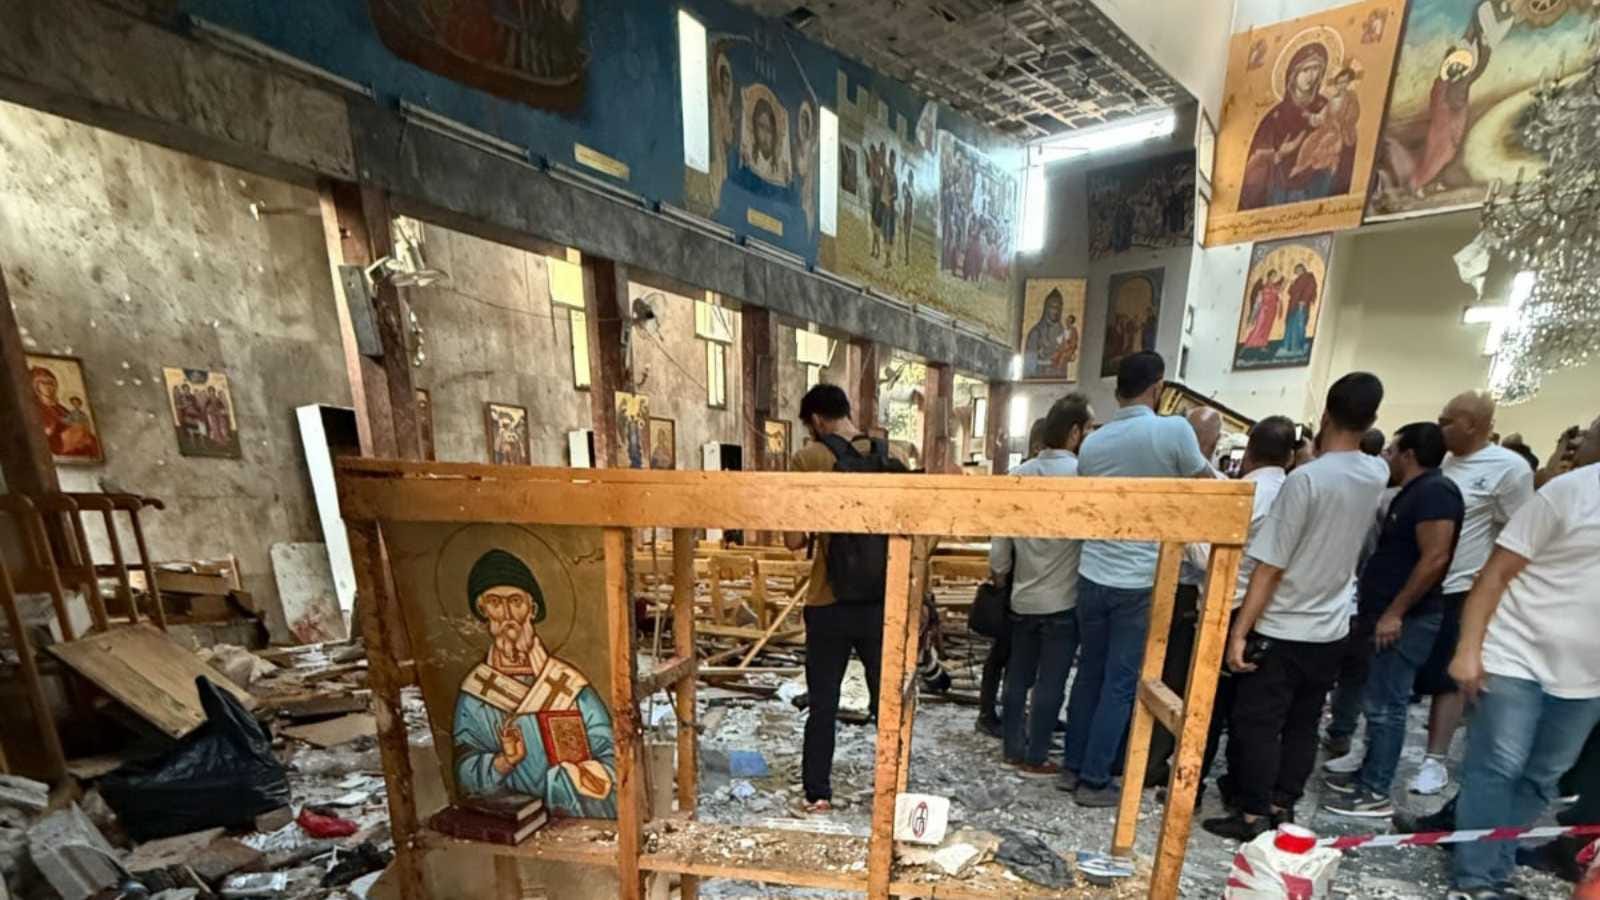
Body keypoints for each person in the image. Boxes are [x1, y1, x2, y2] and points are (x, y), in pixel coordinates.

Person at [1203, 372, 1389, 840]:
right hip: (1332, 623)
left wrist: (1240, 632)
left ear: (1325, 414)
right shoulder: (1376, 474)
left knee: (1256, 723)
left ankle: (1252, 813)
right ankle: (1283, 803)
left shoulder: (1305, 481)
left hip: (1284, 622)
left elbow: (1270, 567)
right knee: (1304, 722)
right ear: (1371, 421)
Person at [1446, 415, 1600, 899]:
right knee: (1497, 767)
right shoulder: (1570, 493)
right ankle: (1477, 878)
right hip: (1516, 652)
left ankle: (1497, 863)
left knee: (1542, 778)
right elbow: (1494, 574)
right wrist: (1468, 650)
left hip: (1586, 677)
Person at [1060, 352, 1211, 807]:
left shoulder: (1094, 443)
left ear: (1117, 390)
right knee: (1121, 682)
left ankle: (1072, 767)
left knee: (1089, 672)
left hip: (1092, 573)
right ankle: (1094, 779)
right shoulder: (1173, 431)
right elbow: (1210, 487)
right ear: (1158, 387)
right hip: (1141, 579)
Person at [1323, 422, 1464, 818]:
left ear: (1409, 455)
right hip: (1388, 613)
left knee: (1388, 706)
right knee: (1377, 701)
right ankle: (1368, 775)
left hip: (1408, 619)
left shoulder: (1436, 493)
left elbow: (1435, 557)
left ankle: (1375, 790)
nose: (1387, 458)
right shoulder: (1414, 491)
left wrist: (1396, 612)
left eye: (1392, 451)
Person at [785, 384, 905, 813]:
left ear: (817, 420)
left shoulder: (809, 459)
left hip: (828, 601)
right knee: (887, 702)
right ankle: (892, 793)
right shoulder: (892, 456)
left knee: (823, 703)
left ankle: (817, 793)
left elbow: (793, 540)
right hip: (881, 602)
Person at [1411, 391, 1535, 796]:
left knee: (1447, 677)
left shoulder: (1509, 469)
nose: (1440, 425)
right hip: (1420, 582)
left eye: (1447, 420)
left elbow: (1519, 534)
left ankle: (1435, 760)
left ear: (1472, 424)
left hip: (1461, 586)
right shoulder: (1442, 461)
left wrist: (1489, 581)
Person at [453, 549, 618, 817]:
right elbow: (463, 774)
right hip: (513, 820)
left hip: (574, 820)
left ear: (532, 608)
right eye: (495, 602)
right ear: (482, 610)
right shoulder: (476, 690)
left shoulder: (568, 684)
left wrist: (576, 777)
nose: (507, 615)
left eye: (516, 601)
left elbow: (614, 757)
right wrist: (505, 761)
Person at [990, 395, 1093, 776]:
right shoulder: (1084, 477)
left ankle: (1011, 748)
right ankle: (1036, 755)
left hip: (1023, 597)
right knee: (1051, 683)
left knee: (1017, 677)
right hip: (1063, 600)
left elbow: (999, 544)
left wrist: (1000, 573)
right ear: (1075, 433)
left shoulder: (1019, 476)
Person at [1146, 407, 1224, 786]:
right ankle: (1138, 756)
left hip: (1182, 592)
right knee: (1150, 675)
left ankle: (1151, 759)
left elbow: (1206, 556)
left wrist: (1179, 537)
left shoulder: (1211, 485)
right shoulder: (1175, 479)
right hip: (1154, 585)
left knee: (1169, 678)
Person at [975, 418, 1049, 738]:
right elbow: (1001, 540)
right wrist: (1001, 578)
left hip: (1026, 579)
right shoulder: (1020, 478)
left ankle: (1014, 712)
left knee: (1022, 655)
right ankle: (990, 712)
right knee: (1005, 653)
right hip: (1019, 580)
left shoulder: (1029, 478)